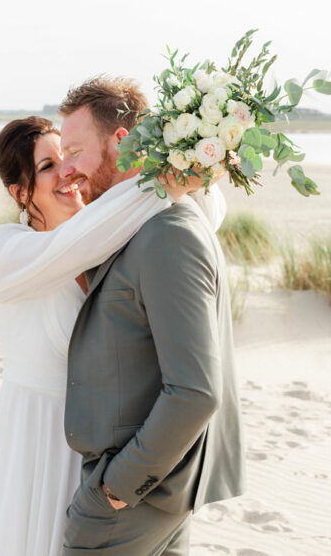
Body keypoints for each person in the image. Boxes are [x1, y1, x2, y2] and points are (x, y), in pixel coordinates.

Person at [0, 93, 227, 555]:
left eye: (68, 157)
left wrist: (186, 155)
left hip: (105, 446)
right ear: (19, 192)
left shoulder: (106, 235)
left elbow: (203, 217)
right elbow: (81, 240)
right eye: (47, 167)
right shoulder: (8, 250)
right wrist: (164, 179)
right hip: (39, 438)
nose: (67, 171)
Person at [58, 77, 246, 555]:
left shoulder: (168, 233)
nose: (68, 169)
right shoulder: (136, 224)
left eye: (76, 150)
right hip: (149, 495)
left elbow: (196, 391)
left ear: (120, 141)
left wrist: (116, 488)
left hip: (137, 497)